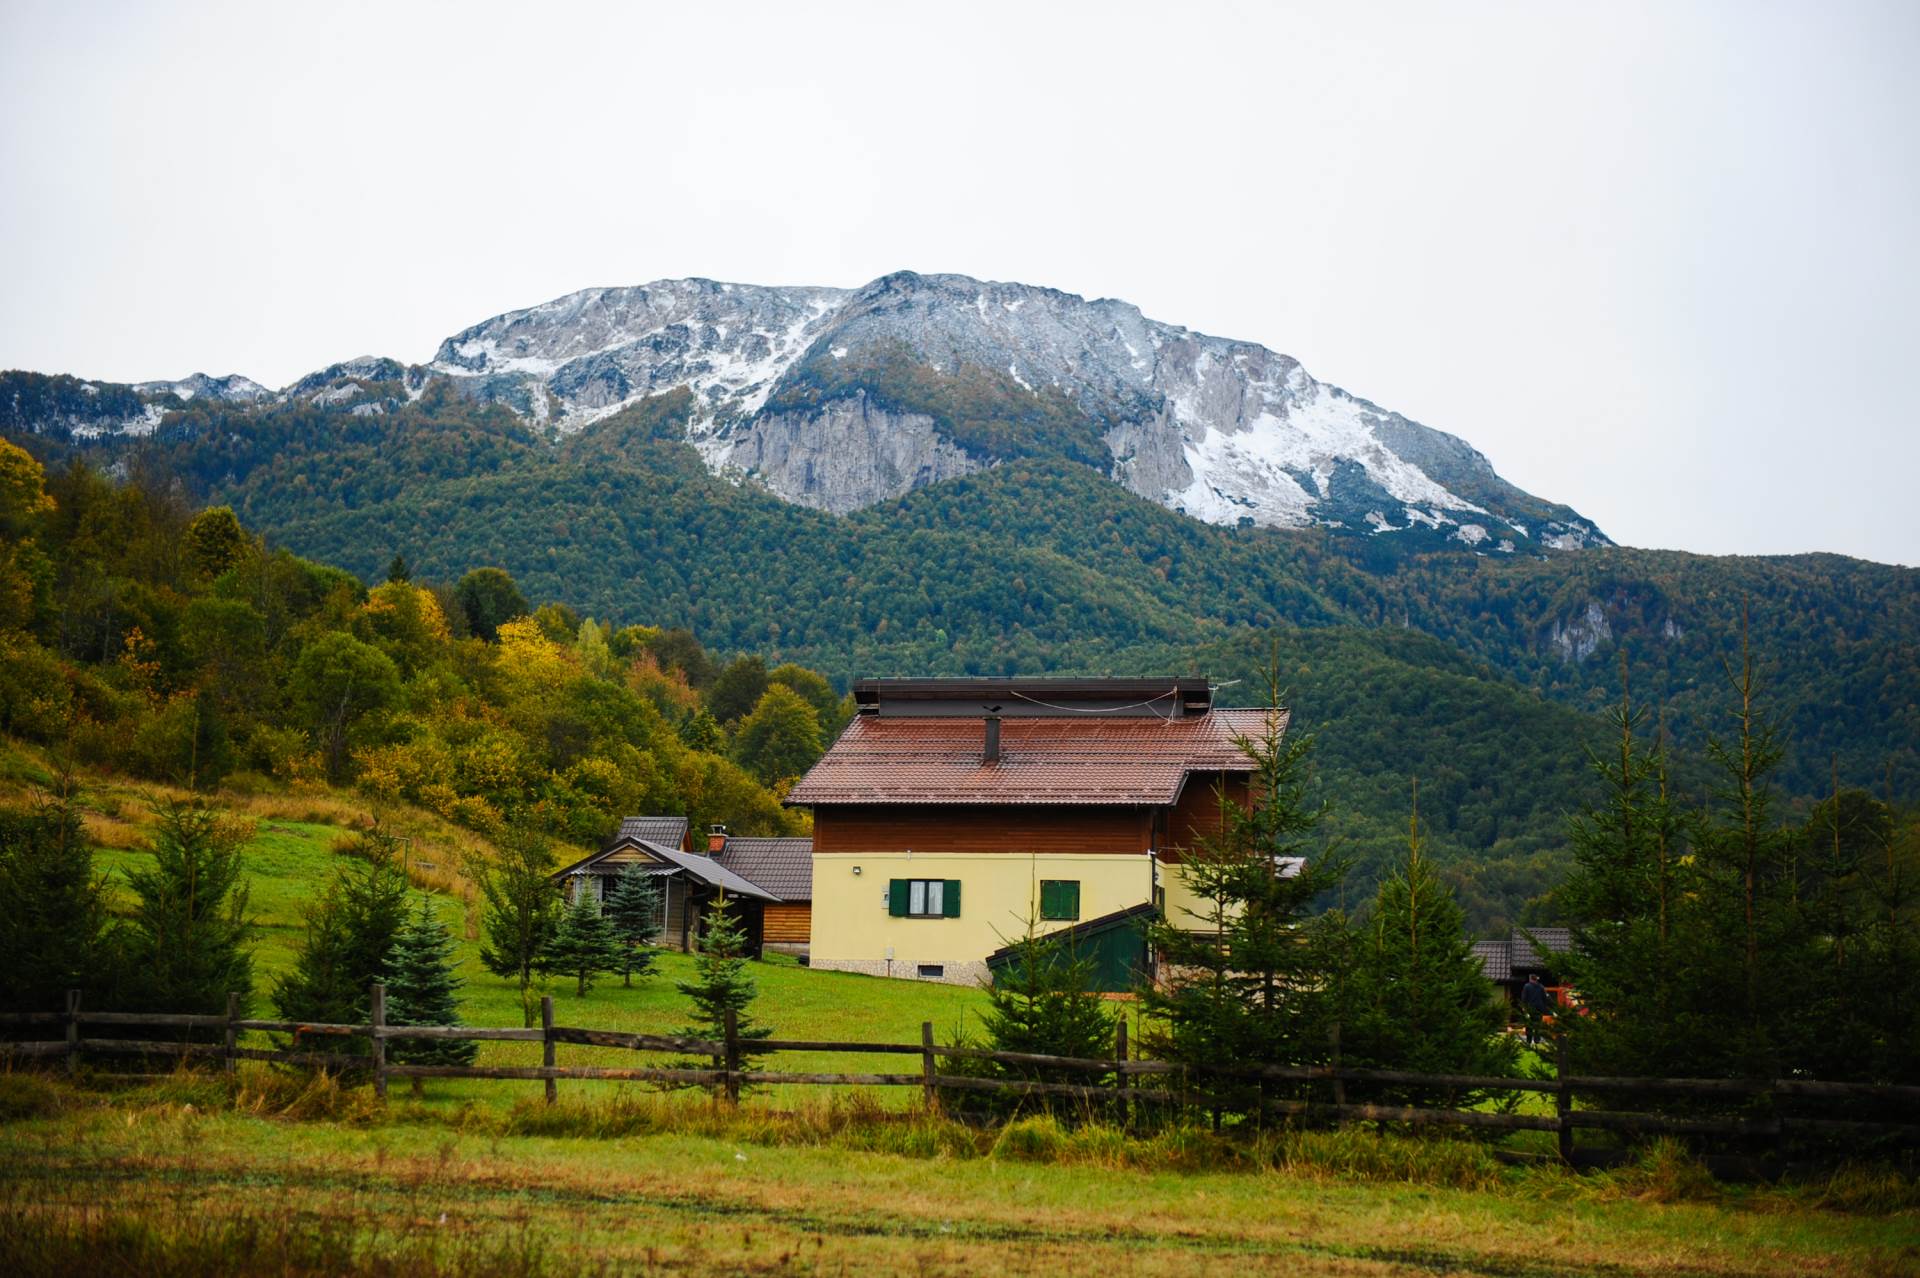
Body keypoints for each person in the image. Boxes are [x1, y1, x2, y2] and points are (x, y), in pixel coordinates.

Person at [1520, 972, 1552, 1047]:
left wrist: (1524, 1007)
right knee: (1537, 1024)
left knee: (1529, 1025)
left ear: (1530, 979)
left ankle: (1529, 1041)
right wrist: (1545, 1007)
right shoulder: (1541, 987)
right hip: (1539, 1008)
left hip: (1530, 1008)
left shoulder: (1526, 986)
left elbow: (1524, 998)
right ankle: (1537, 1040)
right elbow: (1545, 998)